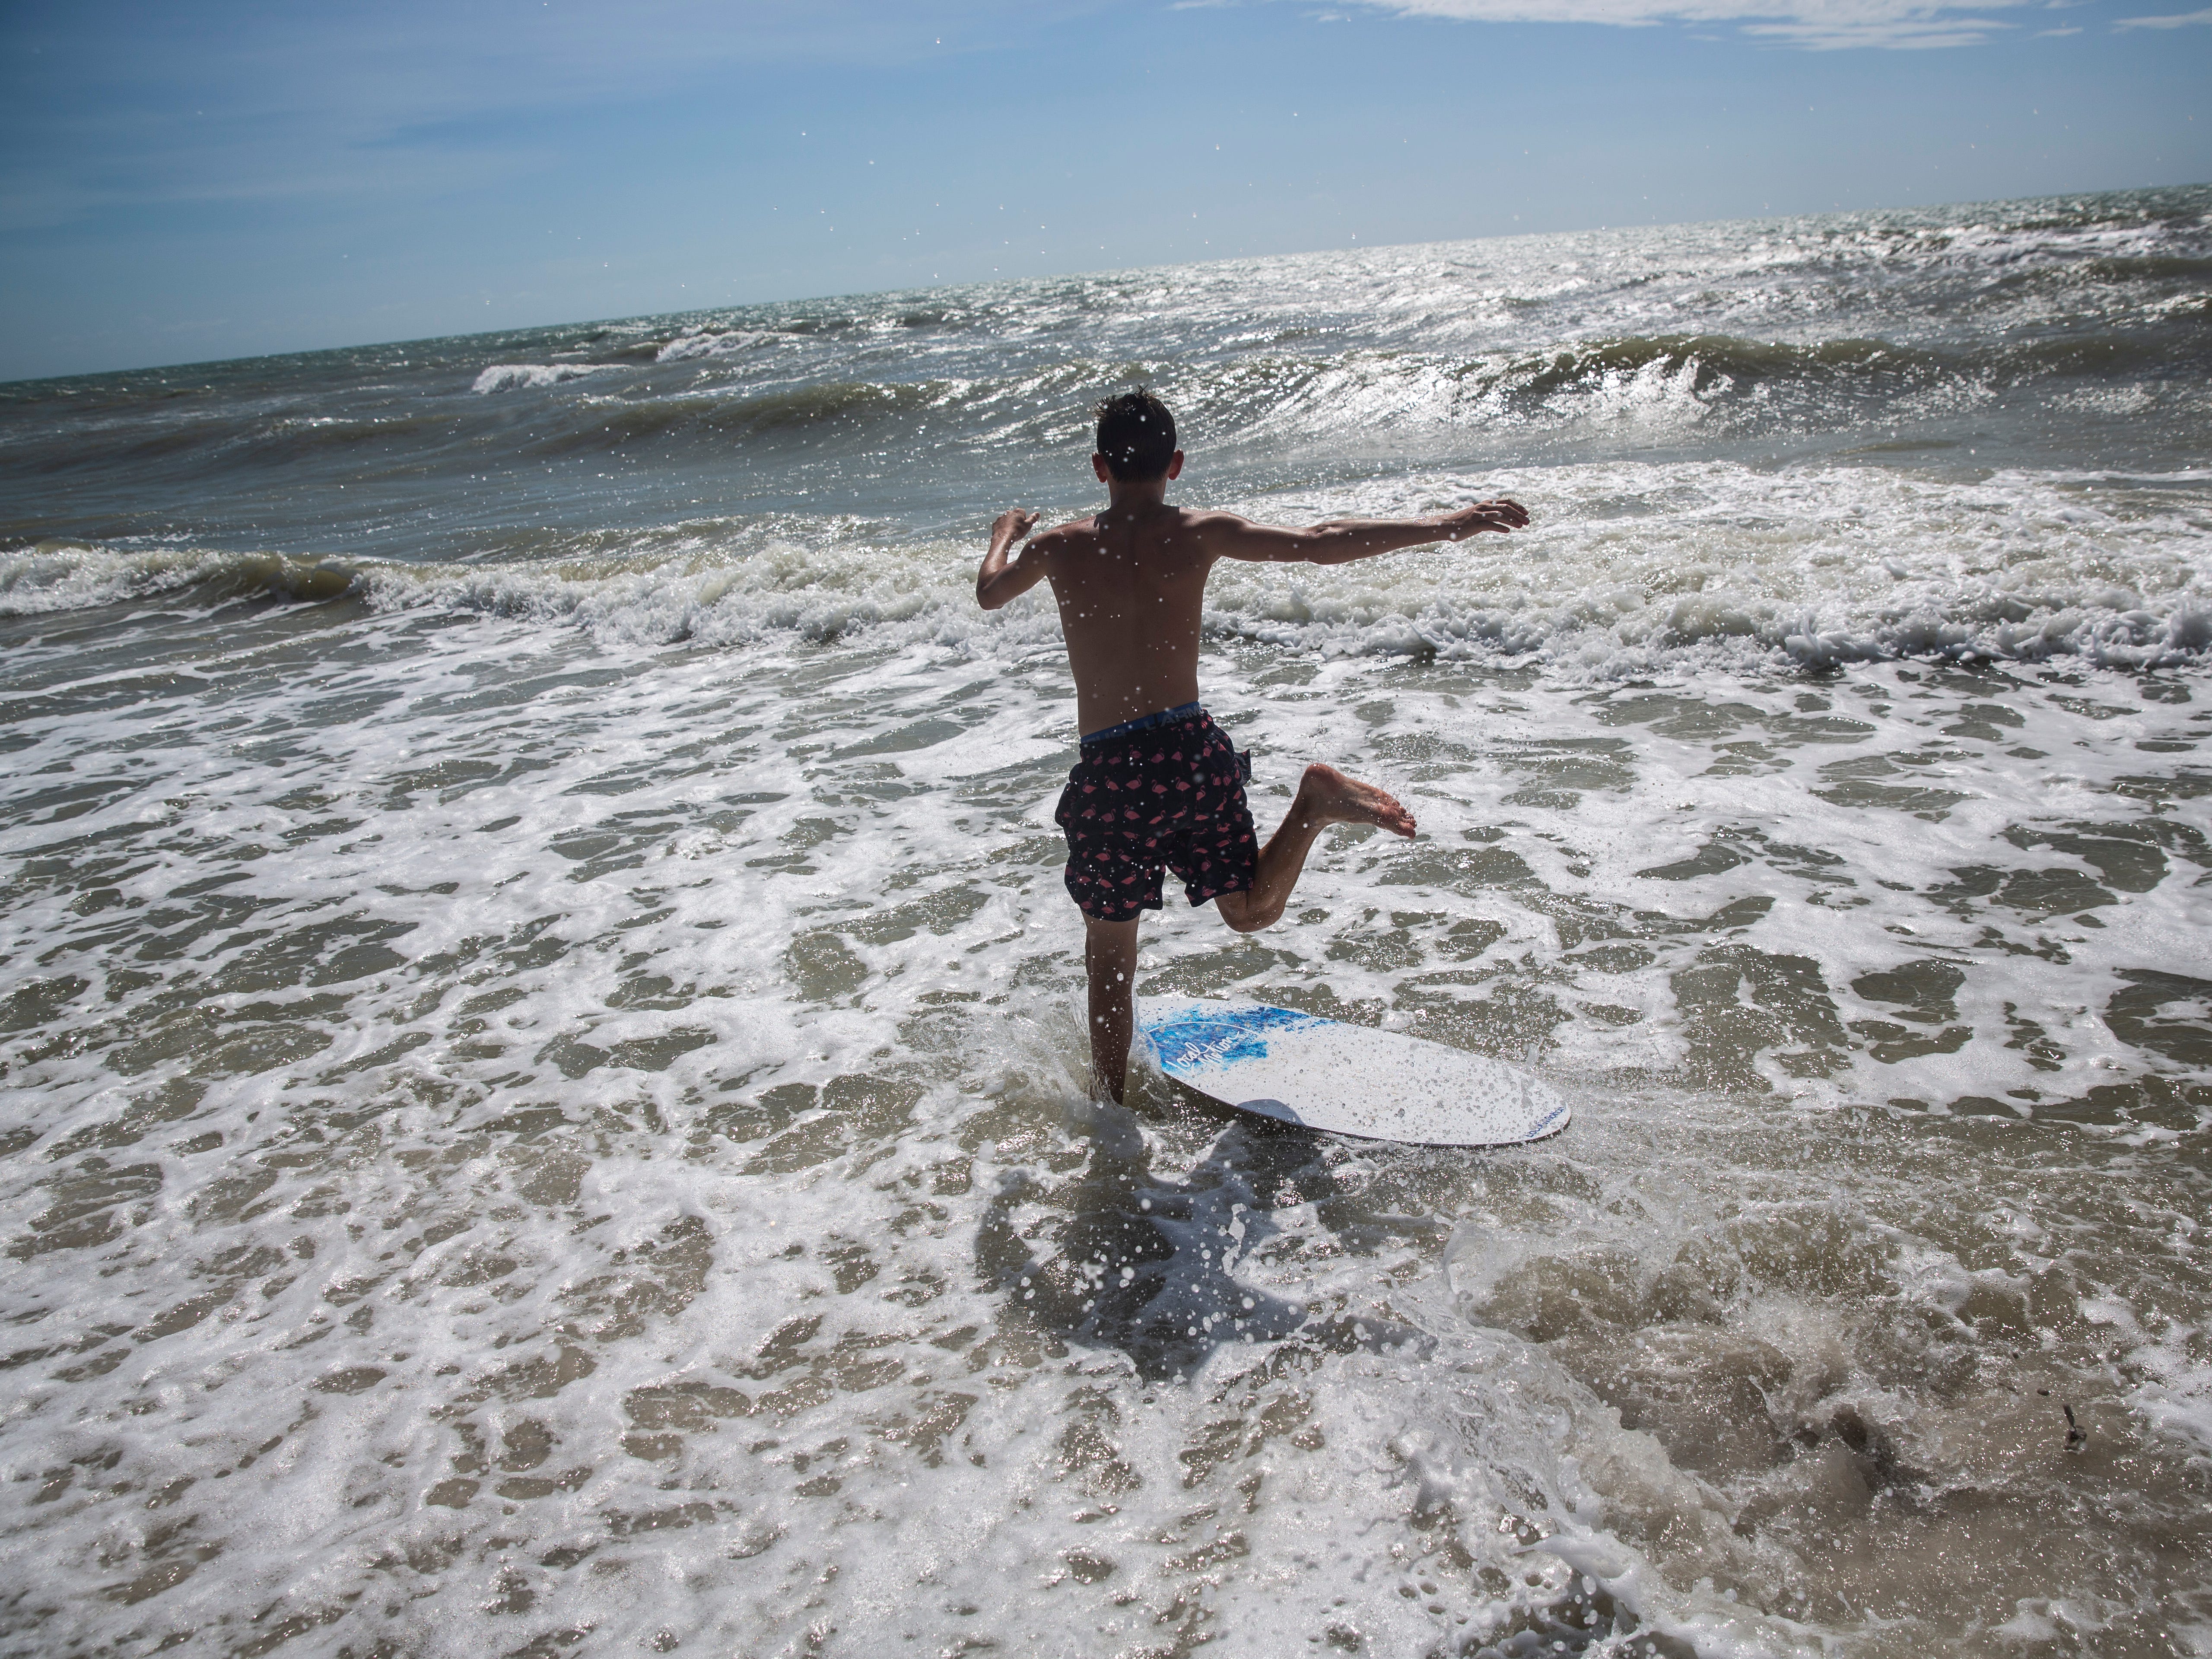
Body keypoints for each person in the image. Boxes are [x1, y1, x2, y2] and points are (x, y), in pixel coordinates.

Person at [975, 390, 1528, 1101]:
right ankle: (1315, 805)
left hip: (1113, 773)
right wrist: (1444, 526)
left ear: (1097, 468)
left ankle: (1113, 1121)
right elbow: (1323, 542)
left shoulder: (1058, 547)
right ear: (1175, 465)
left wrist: (1005, 532)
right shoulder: (1201, 530)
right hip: (1188, 754)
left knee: (1111, 963)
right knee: (1251, 913)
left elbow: (990, 593)